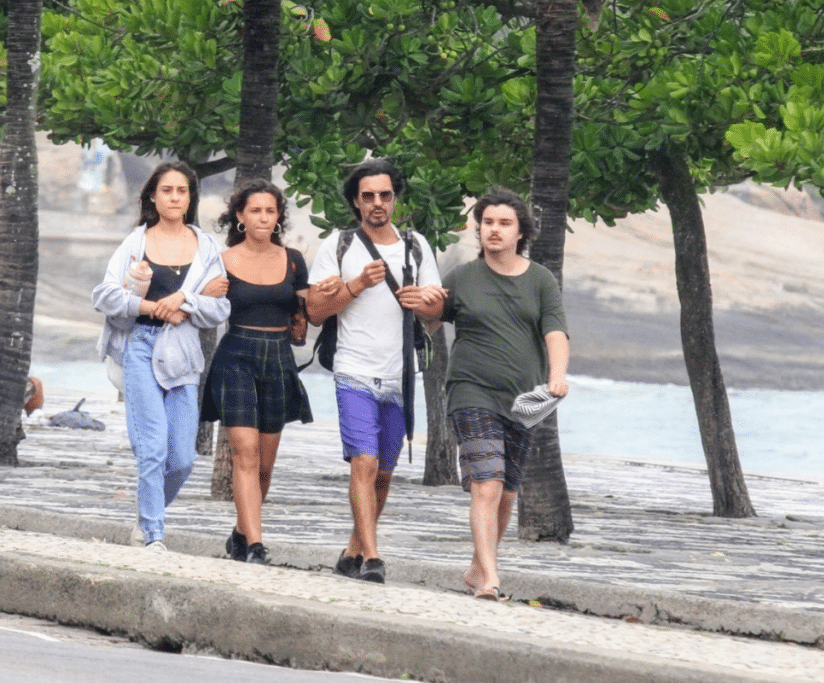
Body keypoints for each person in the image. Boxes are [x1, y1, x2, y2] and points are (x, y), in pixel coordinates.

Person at [409, 187, 569, 600]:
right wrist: (424, 305)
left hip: (524, 400)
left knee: (508, 489)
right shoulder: (462, 277)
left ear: (520, 232)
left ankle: (478, 568)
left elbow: (555, 332)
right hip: (471, 390)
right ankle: (492, 579)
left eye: (504, 223)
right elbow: (429, 323)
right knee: (487, 484)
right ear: (478, 229)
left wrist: (558, 377)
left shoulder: (541, 280)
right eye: (487, 223)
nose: (493, 230)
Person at [307, 159, 445, 583]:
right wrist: (357, 286)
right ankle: (373, 558)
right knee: (364, 463)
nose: (377, 203)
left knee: (383, 472)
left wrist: (426, 302)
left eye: (385, 195)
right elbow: (314, 311)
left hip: (400, 375)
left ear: (395, 199)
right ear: (355, 201)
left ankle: (353, 550)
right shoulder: (339, 246)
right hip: (353, 370)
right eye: (368, 196)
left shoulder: (416, 246)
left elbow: (436, 318)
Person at [92, 161, 230, 551]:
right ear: (153, 195)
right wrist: (153, 308)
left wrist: (184, 301)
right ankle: (153, 535)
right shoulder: (136, 242)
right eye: (166, 190)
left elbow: (221, 308)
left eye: (181, 190)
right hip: (139, 345)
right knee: (151, 448)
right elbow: (104, 295)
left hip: (183, 352)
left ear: (190, 198)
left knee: (182, 459)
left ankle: (146, 513)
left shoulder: (205, 247)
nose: (174, 197)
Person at [201, 179, 313, 565]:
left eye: (270, 210)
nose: (264, 218)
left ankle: (240, 532)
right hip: (236, 355)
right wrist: (207, 295)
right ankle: (255, 546)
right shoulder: (222, 259)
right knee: (244, 453)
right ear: (240, 216)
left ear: (279, 216)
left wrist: (306, 317)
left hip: (278, 357)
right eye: (255, 211)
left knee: (265, 462)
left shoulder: (294, 259)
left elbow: (304, 316)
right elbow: (203, 308)